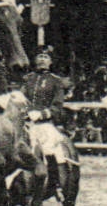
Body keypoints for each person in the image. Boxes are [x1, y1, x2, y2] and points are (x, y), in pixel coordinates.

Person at [21, 45, 73, 192]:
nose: (42, 60)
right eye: (40, 56)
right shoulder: (27, 80)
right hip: (26, 122)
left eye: (46, 57)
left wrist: (41, 114)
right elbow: (21, 99)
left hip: (45, 124)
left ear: (51, 61)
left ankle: (55, 184)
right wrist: (26, 112)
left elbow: (57, 107)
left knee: (50, 147)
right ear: (34, 59)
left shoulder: (56, 81)